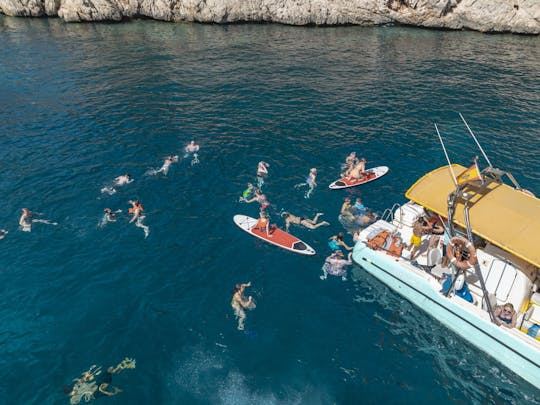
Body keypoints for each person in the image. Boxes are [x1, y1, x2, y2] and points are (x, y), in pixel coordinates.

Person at [66, 358, 135, 404]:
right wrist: (113, 391)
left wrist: (81, 379)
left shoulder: (78, 390)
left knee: (109, 370)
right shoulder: (90, 397)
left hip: (98, 382)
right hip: (100, 387)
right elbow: (107, 393)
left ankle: (121, 366)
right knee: (108, 376)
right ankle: (121, 368)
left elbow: (81, 383)